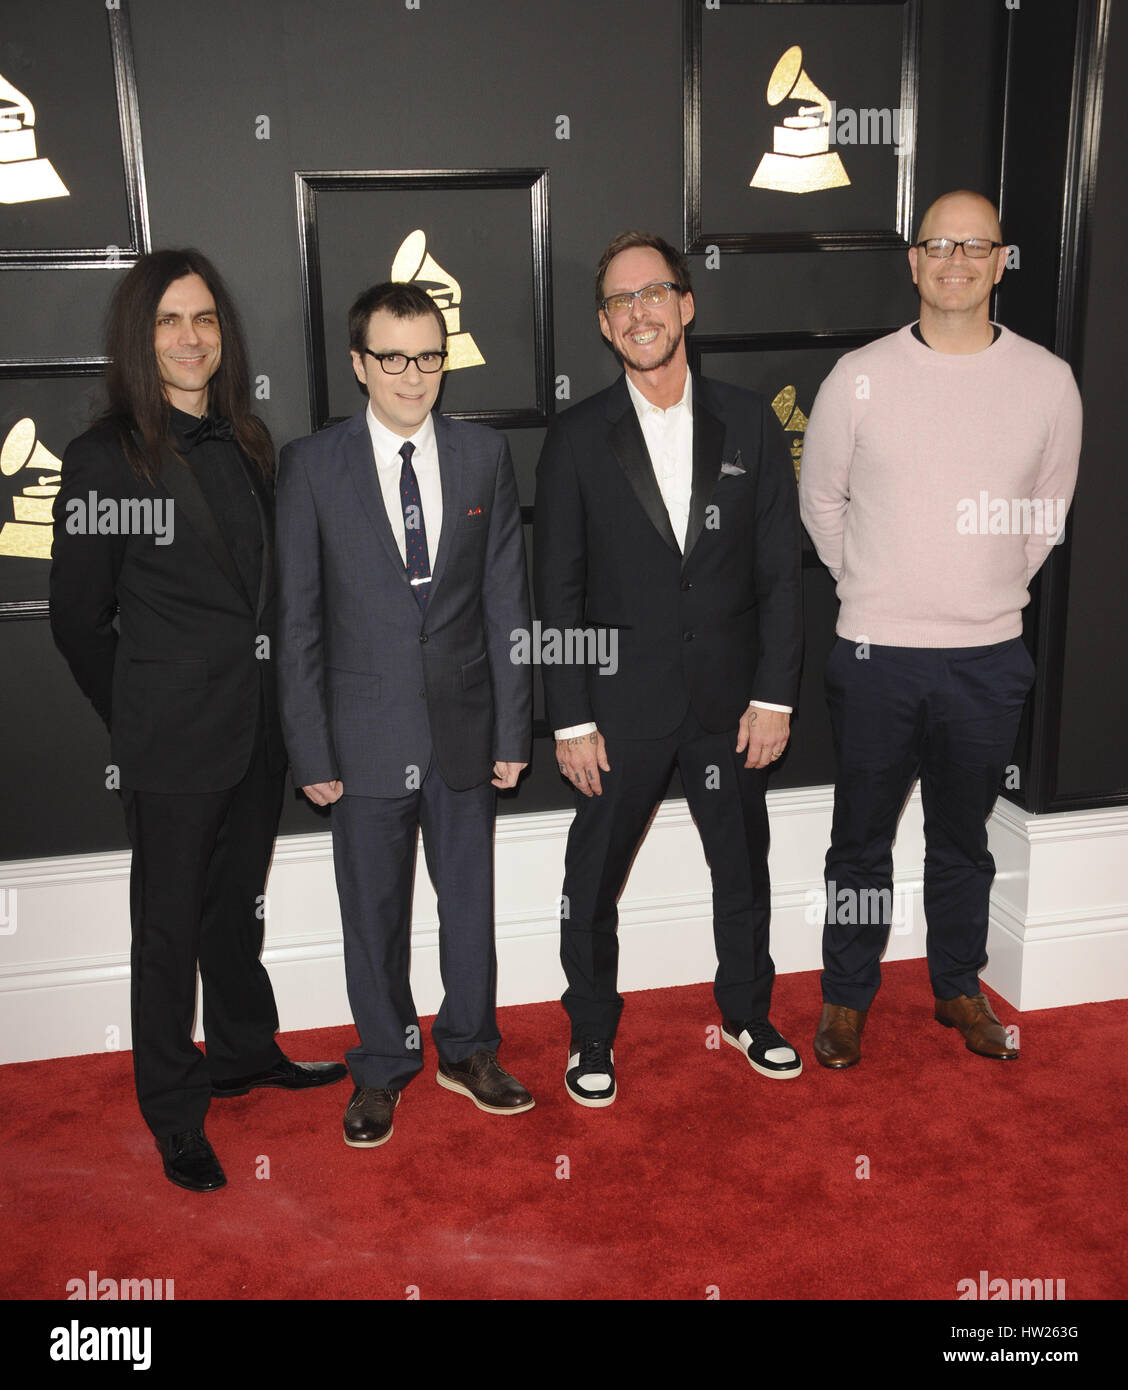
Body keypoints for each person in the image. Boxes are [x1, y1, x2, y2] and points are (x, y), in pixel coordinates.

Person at [50, 249, 346, 1194]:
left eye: (206, 320)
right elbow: (77, 621)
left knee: (236, 910)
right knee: (167, 932)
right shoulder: (102, 459)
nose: (191, 338)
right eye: (171, 321)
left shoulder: (249, 441)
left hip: (257, 730)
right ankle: (175, 1113)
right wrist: (140, 712)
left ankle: (244, 1052)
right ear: (141, 337)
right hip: (171, 741)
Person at [800, 190, 1082, 1068]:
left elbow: (1047, 516)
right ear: (913, 261)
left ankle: (958, 986)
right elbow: (821, 502)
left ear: (1002, 262)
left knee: (964, 840)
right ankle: (846, 999)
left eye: (976, 246)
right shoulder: (859, 376)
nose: (956, 260)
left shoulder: (1048, 380)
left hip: (990, 657)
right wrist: (874, 587)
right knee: (860, 844)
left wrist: (985, 590)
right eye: (938, 245)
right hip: (876, 654)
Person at [533, 231, 804, 1107]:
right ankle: (591, 1034)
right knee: (591, 880)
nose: (639, 312)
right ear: (606, 329)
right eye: (619, 303)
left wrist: (772, 694)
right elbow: (557, 590)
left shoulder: (750, 422)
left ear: (686, 304)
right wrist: (569, 718)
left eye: (653, 294)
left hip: (730, 705)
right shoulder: (577, 438)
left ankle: (748, 1015)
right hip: (618, 710)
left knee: (744, 868)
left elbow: (777, 571)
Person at [275, 281, 534, 1149]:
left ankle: (469, 1050)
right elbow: (299, 620)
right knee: (373, 915)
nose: (413, 375)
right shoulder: (311, 465)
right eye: (393, 357)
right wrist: (309, 747)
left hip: (465, 728)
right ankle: (382, 1066)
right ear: (359, 364)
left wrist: (512, 729)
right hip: (362, 735)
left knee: (470, 908)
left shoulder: (482, 456)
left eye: (429, 356)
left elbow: (507, 601)